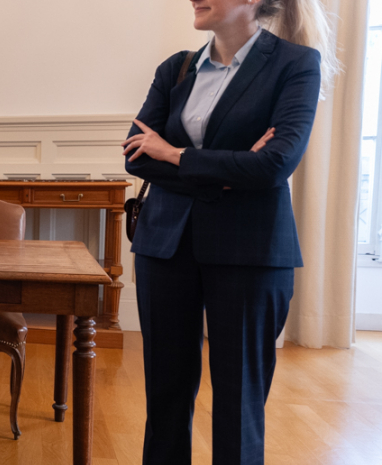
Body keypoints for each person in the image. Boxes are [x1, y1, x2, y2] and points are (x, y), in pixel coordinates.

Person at [122, 0, 337, 462]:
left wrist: (176, 155)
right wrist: (233, 167)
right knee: (164, 395)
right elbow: (137, 156)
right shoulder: (175, 69)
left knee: (239, 401)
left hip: (250, 249)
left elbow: (275, 164)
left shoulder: (295, 63)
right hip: (165, 244)